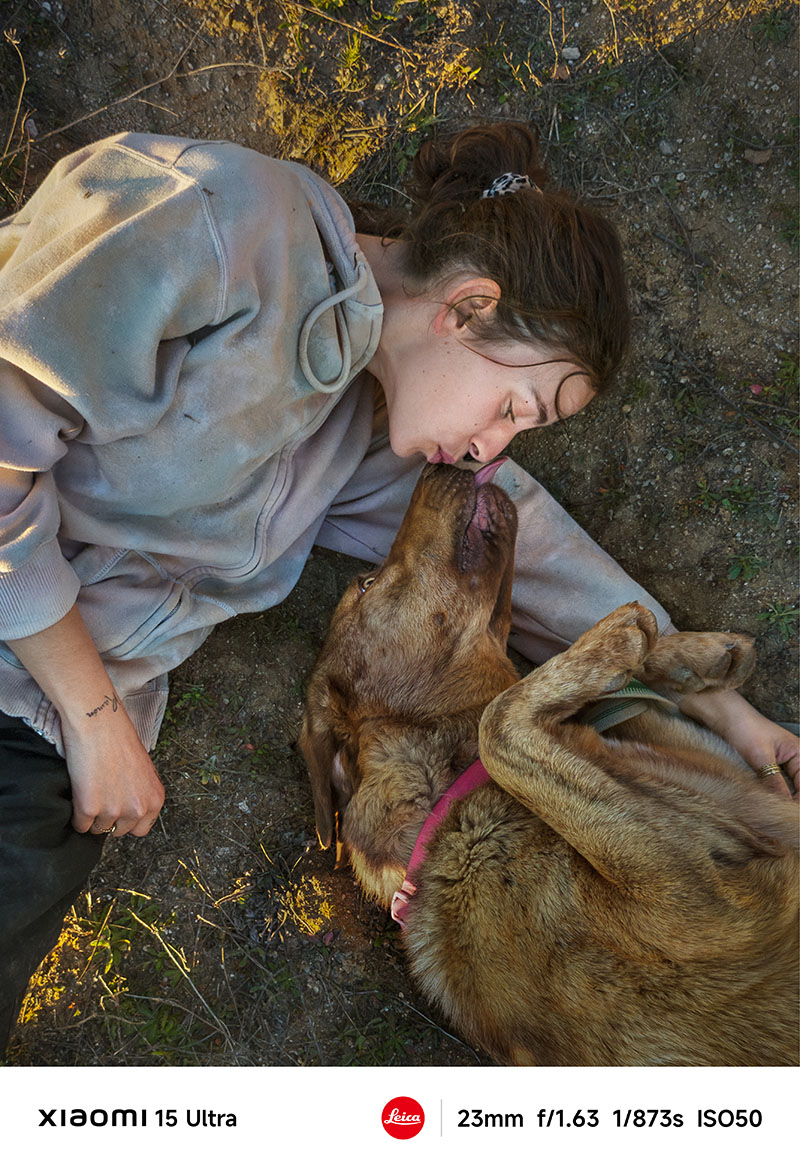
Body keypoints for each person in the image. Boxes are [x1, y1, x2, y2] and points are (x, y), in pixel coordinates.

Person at [0, 122, 796, 1051]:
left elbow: (516, 537)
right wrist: (96, 720)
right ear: (465, 308)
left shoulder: (360, 440)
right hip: (67, 709)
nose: (493, 447)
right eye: (514, 408)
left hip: (33, 744)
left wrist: (717, 704)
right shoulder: (214, 223)